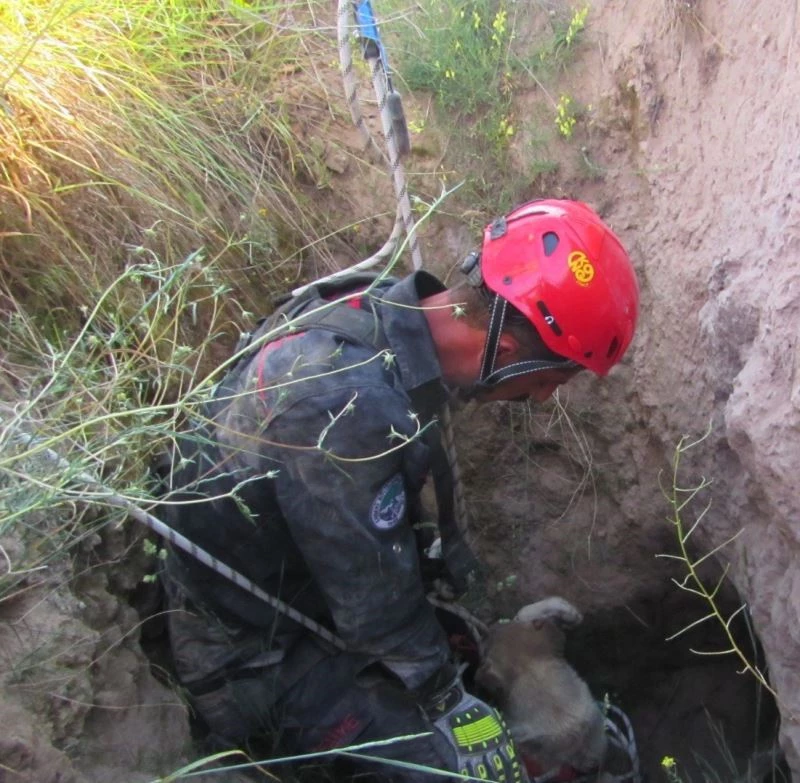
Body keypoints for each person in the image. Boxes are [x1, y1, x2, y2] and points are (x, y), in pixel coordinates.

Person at [158, 199, 639, 781]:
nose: (540, 400)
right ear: (505, 352)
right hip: (258, 654)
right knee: (482, 769)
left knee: (464, 656)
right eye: (548, 381)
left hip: (301, 586)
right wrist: (446, 701)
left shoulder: (379, 308)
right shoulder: (349, 404)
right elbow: (372, 609)